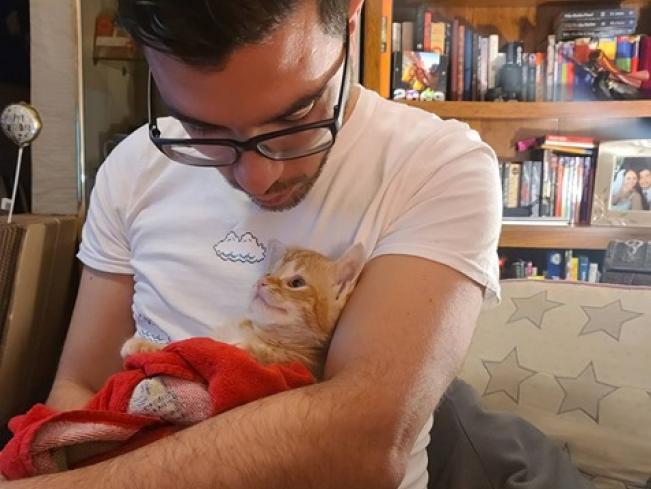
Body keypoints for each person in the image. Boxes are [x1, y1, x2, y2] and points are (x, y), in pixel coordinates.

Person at [6, 1, 505, 487]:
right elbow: (82, 389)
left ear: (352, 11)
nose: (257, 179)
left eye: (296, 117)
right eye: (201, 128)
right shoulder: (133, 165)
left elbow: (360, 443)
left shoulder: (438, 167)